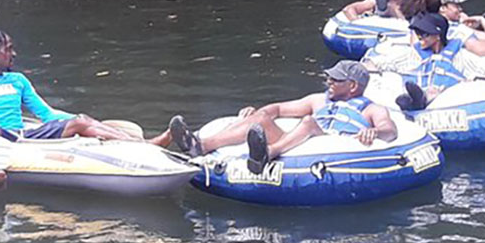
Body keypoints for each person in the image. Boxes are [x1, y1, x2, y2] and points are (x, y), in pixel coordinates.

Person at [0, 31, 170, 187]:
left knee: (83, 120)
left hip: (23, 134)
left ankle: (146, 144)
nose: (14, 53)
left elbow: (46, 114)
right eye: (8, 49)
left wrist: (87, 122)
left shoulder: (18, 80)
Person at [168, 60, 398, 174]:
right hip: (299, 144)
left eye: (335, 80)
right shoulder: (318, 100)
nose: (329, 82)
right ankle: (201, 145)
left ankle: (267, 154)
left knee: (308, 122)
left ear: (353, 86)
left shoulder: (371, 109)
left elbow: (390, 130)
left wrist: (374, 131)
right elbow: (278, 109)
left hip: (333, 146)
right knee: (262, 119)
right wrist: (258, 113)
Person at [396, 13, 485, 111]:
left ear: (437, 36)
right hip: (421, 87)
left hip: (445, 98)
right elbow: (388, 62)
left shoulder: (458, 55)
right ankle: (415, 101)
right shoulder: (415, 53)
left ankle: (423, 100)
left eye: (424, 34)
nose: (420, 38)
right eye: (418, 34)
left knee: (434, 91)